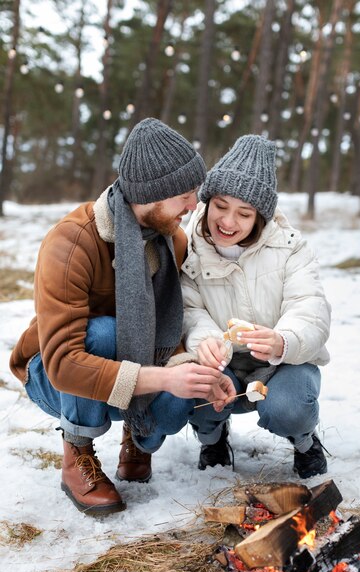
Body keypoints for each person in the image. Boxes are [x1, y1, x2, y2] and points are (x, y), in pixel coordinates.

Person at [9, 118, 234, 516]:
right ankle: (77, 455)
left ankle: (138, 434)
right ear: (152, 194)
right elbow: (63, 364)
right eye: (185, 194)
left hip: (132, 364)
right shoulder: (72, 241)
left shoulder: (173, 241)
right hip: (52, 374)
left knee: (178, 399)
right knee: (102, 333)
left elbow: (172, 322)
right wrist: (165, 377)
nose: (194, 204)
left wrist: (193, 373)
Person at [180, 134, 332, 478]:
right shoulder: (188, 246)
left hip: (283, 364)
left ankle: (305, 442)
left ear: (259, 217)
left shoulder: (290, 248)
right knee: (199, 387)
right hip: (226, 362)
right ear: (207, 201)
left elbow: (310, 308)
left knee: (288, 407)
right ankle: (213, 438)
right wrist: (204, 341)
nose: (228, 222)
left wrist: (284, 340)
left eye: (243, 213)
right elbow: (189, 307)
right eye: (220, 206)